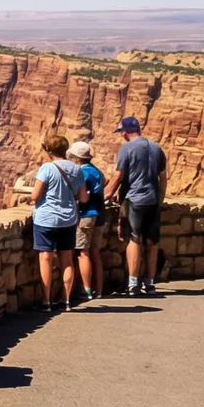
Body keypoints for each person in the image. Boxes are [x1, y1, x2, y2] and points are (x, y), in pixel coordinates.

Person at [110, 115, 168, 295]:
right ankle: (150, 283)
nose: (121, 136)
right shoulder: (157, 148)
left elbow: (118, 176)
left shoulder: (126, 148)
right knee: (152, 240)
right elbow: (163, 177)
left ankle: (133, 284)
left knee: (134, 238)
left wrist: (107, 194)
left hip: (134, 199)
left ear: (125, 132)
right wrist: (160, 199)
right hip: (153, 199)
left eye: (121, 132)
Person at [30, 132, 85, 310]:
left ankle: (46, 301)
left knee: (45, 257)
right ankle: (67, 300)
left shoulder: (47, 168)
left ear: (49, 151)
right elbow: (83, 197)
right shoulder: (77, 169)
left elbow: (35, 196)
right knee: (67, 259)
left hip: (45, 219)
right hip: (68, 220)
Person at [68, 140, 105, 299]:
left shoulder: (81, 172)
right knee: (95, 252)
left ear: (76, 157)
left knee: (83, 252)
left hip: (86, 215)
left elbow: (77, 193)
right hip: (99, 214)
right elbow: (104, 183)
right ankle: (99, 289)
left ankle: (86, 290)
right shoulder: (96, 171)